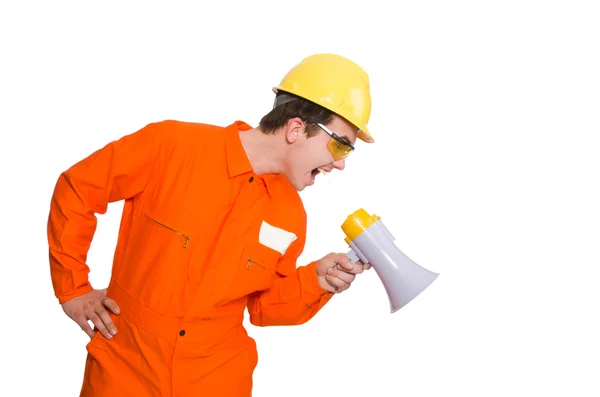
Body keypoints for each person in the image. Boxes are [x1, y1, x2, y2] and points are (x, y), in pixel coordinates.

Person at [47, 53, 376, 396]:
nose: (339, 165)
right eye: (340, 146)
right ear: (296, 128)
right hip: (123, 373)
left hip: (217, 380)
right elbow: (78, 189)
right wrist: (73, 290)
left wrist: (316, 281)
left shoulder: (290, 215)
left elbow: (264, 307)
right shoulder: (170, 147)